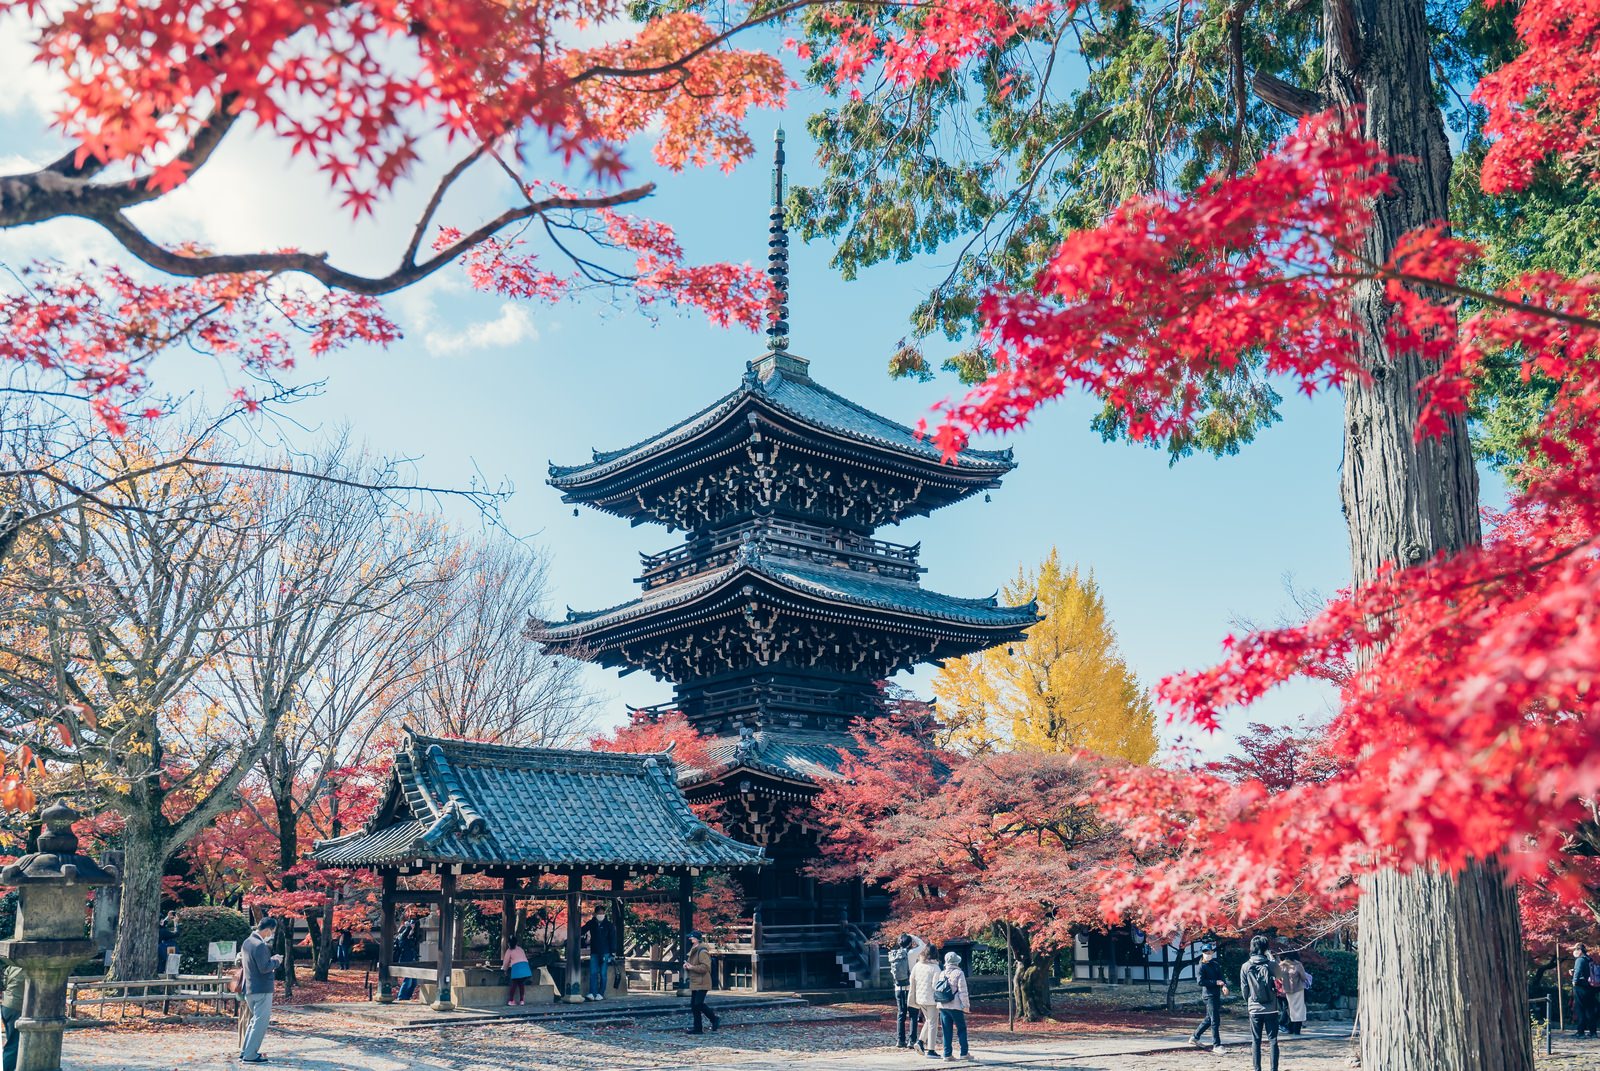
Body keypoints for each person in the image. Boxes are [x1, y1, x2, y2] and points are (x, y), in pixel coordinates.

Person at [237, 916, 283, 1065]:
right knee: (260, 1022)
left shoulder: (247, 942)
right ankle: (250, 1054)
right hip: (262, 988)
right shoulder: (260, 945)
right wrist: (276, 961)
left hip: (249, 988)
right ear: (268, 929)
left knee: (253, 1021)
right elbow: (264, 967)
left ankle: (245, 1051)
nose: (272, 934)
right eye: (272, 931)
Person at [1241, 935, 1281, 1071]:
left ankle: (1257, 1068)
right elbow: (1281, 982)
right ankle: (1273, 1069)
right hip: (1271, 1008)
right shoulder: (1272, 965)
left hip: (1254, 1008)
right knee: (1273, 1040)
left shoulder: (1246, 966)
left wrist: (1250, 1001)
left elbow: (1244, 989)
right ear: (1266, 948)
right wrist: (1272, 959)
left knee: (1256, 1040)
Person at [887, 933, 928, 1049]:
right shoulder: (911, 953)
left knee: (901, 1014)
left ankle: (900, 1040)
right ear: (910, 943)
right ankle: (912, 1040)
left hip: (898, 988)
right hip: (910, 988)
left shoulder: (893, 955)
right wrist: (912, 936)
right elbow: (923, 945)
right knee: (913, 1015)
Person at [1189, 944, 1229, 1053]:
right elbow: (1200, 982)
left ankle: (1195, 1037)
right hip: (1208, 995)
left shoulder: (1215, 964)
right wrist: (1215, 982)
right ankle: (1216, 1045)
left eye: (1209, 952)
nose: (1207, 954)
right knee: (1215, 1020)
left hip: (1216, 994)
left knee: (1208, 1019)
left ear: (1212, 952)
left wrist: (1224, 986)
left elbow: (1221, 977)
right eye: (1205, 952)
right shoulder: (1201, 966)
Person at [935, 951, 971, 1062]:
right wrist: (966, 1006)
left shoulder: (942, 973)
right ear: (956, 962)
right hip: (955, 1006)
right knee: (961, 1029)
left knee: (946, 1030)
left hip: (943, 1005)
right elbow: (962, 991)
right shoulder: (959, 973)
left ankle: (947, 1054)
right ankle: (964, 1053)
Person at [908, 946, 942, 1057]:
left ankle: (920, 1042)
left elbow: (912, 980)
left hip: (920, 998)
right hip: (931, 999)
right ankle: (931, 1049)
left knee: (928, 1020)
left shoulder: (917, 966)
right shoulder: (935, 968)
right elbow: (936, 985)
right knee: (933, 1023)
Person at [684, 930, 719, 1034]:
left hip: (703, 981)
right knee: (694, 1005)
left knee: (698, 1003)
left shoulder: (702, 951)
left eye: (692, 937)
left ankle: (714, 1019)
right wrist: (687, 966)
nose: (690, 939)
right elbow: (694, 965)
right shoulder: (694, 949)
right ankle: (697, 1028)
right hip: (696, 980)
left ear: (696, 939)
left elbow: (705, 967)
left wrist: (692, 967)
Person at [580, 907, 617, 1001]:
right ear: (595, 914)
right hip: (594, 952)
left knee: (603, 973)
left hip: (605, 952)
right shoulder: (591, 923)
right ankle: (592, 992)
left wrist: (613, 952)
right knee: (593, 973)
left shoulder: (609, 925)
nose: (601, 914)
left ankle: (601, 993)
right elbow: (582, 930)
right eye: (599, 913)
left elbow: (613, 939)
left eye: (602, 913)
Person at [1277, 951, 1308, 1036]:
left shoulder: (1281, 965)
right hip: (1298, 989)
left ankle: (1289, 1029)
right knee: (1299, 1010)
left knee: (1289, 1009)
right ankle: (1297, 1030)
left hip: (1285, 990)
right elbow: (1304, 977)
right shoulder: (1298, 965)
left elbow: (1277, 977)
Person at [1, 959, 23, 1071]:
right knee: (14, 1044)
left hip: (6, 1006)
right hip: (16, 1007)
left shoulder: (12, 966)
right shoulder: (28, 969)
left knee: (12, 1041)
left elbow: (4, 981)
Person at [1573, 942, 1598, 1038]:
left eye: (1575, 949)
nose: (1574, 952)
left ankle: (1580, 1032)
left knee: (1580, 1009)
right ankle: (1593, 1032)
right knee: (1590, 1009)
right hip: (1590, 986)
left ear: (1579, 950)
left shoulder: (1580, 960)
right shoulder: (1589, 959)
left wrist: (1574, 981)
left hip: (1581, 986)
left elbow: (1578, 972)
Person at [503, 934, 533, 1007]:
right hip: (525, 967)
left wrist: (505, 970)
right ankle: (522, 1000)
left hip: (517, 967)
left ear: (508, 943)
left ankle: (511, 1000)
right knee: (521, 984)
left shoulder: (509, 950)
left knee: (514, 984)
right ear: (516, 943)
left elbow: (506, 962)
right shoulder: (520, 949)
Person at [395, 916, 420, 1001]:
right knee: (408, 980)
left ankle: (407, 997)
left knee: (414, 982)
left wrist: (413, 930)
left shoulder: (412, 938)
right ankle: (401, 997)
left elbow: (417, 939)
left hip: (413, 960)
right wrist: (409, 927)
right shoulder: (402, 937)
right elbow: (403, 939)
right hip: (406, 960)